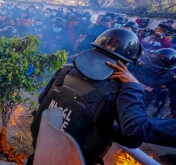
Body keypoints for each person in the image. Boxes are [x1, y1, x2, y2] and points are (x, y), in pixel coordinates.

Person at [29, 28, 143, 165]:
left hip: (41, 150)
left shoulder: (65, 71)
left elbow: (42, 100)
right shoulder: (119, 91)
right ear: (128, 62)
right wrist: (105, 128)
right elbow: (132, 138)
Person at [106, 60, 176, 147]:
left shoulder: (169, 77)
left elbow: (136, 130)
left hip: (141, 100)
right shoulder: (139, 65)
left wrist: (133, 86)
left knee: (132, 136)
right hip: (128, 95)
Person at [129, 48, 176, 117]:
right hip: (124, 94)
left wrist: (174, 108)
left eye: (161, 59)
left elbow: (174, 94)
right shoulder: (139, 64)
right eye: (157, 57)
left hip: (142, 104)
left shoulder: (170, 78)